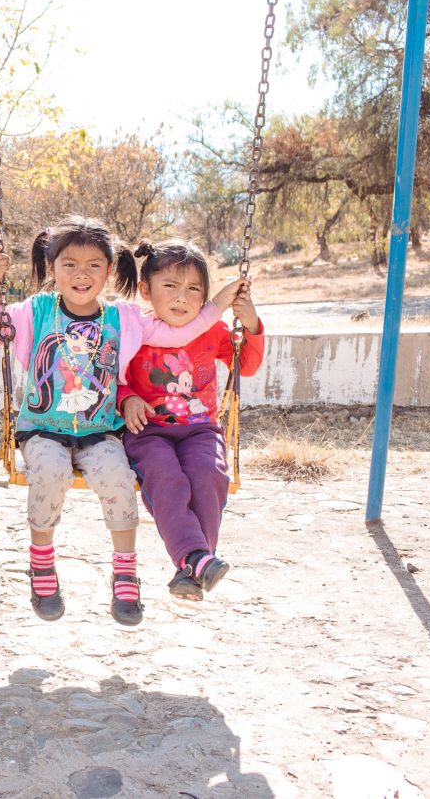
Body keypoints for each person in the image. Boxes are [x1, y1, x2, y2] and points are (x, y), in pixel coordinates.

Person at [0, 216, 242, 627]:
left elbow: (178, 333)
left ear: (108, 269)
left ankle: (125, 573)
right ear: (52, 267)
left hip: (99, 431)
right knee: (49, 472)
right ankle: (42, 563)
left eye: (93, 265)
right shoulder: (36, 310)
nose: (81, 274)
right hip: (42, 428)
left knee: (120, 479)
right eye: (69, 264)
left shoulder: (124, 318)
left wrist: (220, 303)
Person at [120, 240, 265, 599]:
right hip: (148, 431)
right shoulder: (136, 330)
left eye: (194, 289)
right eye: (170, 286)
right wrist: (127, 398)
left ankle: (193, 563)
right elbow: (112, 376)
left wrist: (250, 324)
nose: (182, 298)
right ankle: (197, 561)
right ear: (146, 290)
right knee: (167, 477)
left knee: (209, 475)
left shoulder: (210, 330)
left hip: (200, 430)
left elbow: (246, 365)